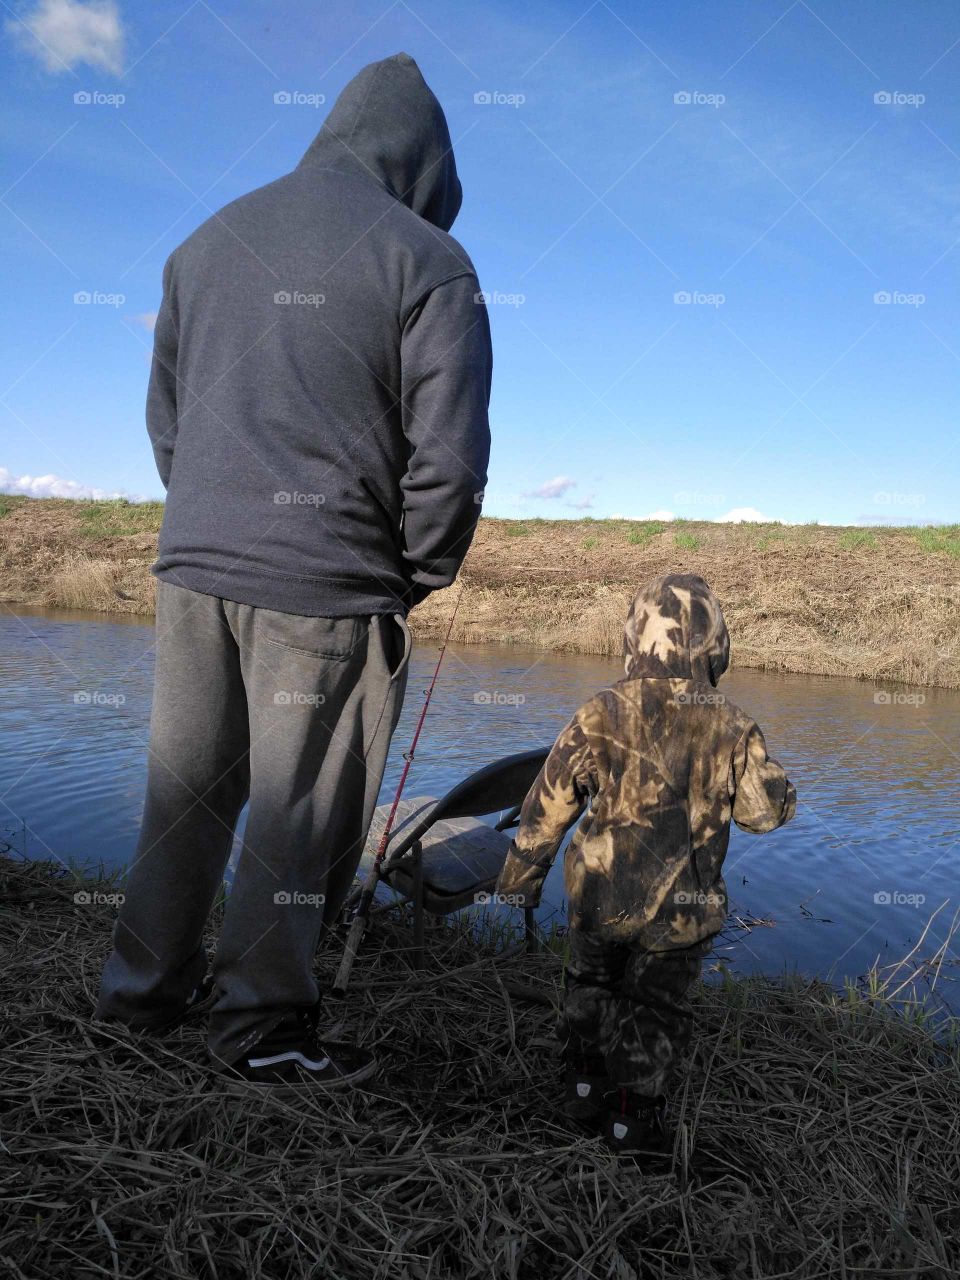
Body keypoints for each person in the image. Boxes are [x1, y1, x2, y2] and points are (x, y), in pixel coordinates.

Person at [95, 53, 492, 1089]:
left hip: (191, 572)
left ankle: (140, 998)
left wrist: (209, 526)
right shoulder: (430, 262)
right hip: (330, 586)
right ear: (427, 167)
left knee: (183, 794)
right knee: (299, 813)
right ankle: (262, 1030)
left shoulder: (203, 243)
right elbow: (449, 463)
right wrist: (414, 570)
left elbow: (167, 425)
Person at [495, 573, 796, 1155]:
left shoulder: (599, 711)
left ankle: (582, 1088)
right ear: (714, 642)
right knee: (655, 1009)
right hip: (680, 911)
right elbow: (762, 816)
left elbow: (545, 808)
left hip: (598, 895)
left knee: (589, 984)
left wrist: (518, 883)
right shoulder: (732, 724)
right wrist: (777, 785)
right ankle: (630, 1124)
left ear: (634, 635)